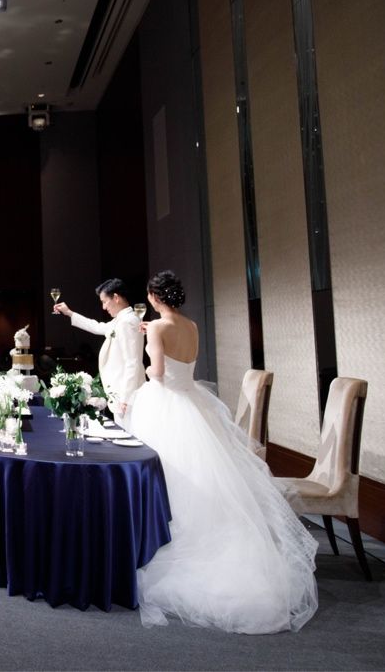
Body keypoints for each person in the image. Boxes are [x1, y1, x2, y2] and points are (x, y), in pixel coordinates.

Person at [126, 271, 318, 633]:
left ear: (154, 297)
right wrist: (154, 335)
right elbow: (182, 362)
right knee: (207, 479)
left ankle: (156, 543)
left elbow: (158, 373)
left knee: (170, 477)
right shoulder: (192, 326)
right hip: (193, 403)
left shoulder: (157, 328)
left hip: (166, 405)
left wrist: (149, 352)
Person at [53, 278, 145, 427]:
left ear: (116, 298)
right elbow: (97, 327)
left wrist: (125, 398)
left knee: (130, 434)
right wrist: (69, 313)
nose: (103, 307)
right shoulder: (120, 320)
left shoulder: (128, 321)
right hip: (120, 394)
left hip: (127, 396)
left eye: (104, 302)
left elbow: (132, 362)